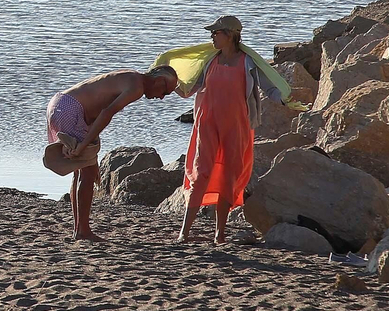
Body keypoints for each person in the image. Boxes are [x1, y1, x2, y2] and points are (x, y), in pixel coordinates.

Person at [155, 16, 299, 245]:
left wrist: (285, 101)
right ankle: (185, 232)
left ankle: (219, 234)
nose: (212, 37)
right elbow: (189, 89)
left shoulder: (248, 62)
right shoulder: (209, 61)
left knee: (228, 177)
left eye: (215, 33)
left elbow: (268, 86)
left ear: (230, 34)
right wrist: (167, 84)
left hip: (237, 126)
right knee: (200, 173)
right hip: (207, 123)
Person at [43, 67, 180, 242]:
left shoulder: (132, 76)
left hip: (59, 103)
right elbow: (107, 112)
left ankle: (79, 230)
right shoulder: (137, 87)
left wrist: (89, 144)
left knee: (82, 170)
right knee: (87, 171)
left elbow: (96, 106)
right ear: (159, 81)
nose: (161, 97)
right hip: (70, 109)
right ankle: (82, 232)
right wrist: (84, 144)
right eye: (165, 92)